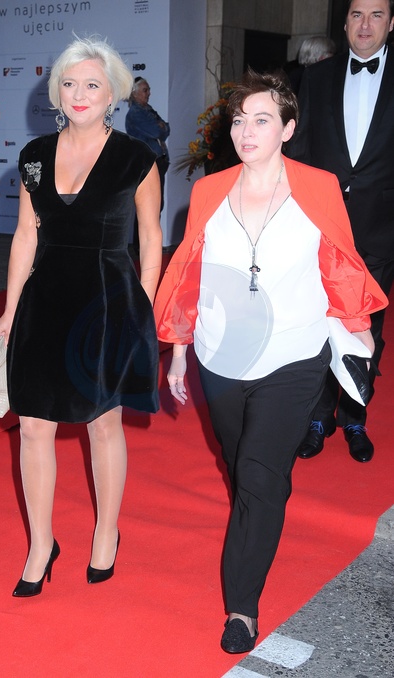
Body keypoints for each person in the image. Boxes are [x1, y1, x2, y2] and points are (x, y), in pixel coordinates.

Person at [154, 69, 387, 654]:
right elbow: (191, 274)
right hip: (220, 356)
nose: (247, 131)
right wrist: (179, 350)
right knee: (243, 467)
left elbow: (340, 263)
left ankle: (242, 606)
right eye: (239, 120)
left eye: (261, 120)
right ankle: (264, 498)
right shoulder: (210, 191)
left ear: (288, 128)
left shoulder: (318, 187)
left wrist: (357, 337)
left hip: (293, 354)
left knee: (258, 476)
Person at [0, 36, 162, 597]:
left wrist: (142, 311)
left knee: (102, 422)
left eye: (92, 84)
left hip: (105, 305)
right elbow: (25, 235)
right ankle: (41, 544)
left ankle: (106, 531)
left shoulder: (137, 159)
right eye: (69, 83)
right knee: (32, 426)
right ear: (56, 92)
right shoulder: (34, 155)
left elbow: (151, 240)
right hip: (44, 301)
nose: (79, 93)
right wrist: (10, 311)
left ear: (112, 93)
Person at [287, 0, 394, 463]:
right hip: (322, 227)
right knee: (317, 323)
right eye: (356, 15)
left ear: (391, 22)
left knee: (366, 327)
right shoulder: (316, 77)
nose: (365, 25)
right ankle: (317, 417)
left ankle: (354, 417)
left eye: (376, 15)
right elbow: (301, 152)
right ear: (345, 21)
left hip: (380, 228)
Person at [125, 77, 170, 252]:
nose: (149, 93)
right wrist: (160, 127)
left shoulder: (147, 110)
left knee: (155, 204)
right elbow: (157, 130)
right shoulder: (136, 113)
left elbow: (166, 128)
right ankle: (142, 247)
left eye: (148, 89)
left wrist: (162, 127)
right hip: (147, 163)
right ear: (134, 93)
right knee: (148, 205)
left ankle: (148, 245)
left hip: (157, 161)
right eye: (145, 90)